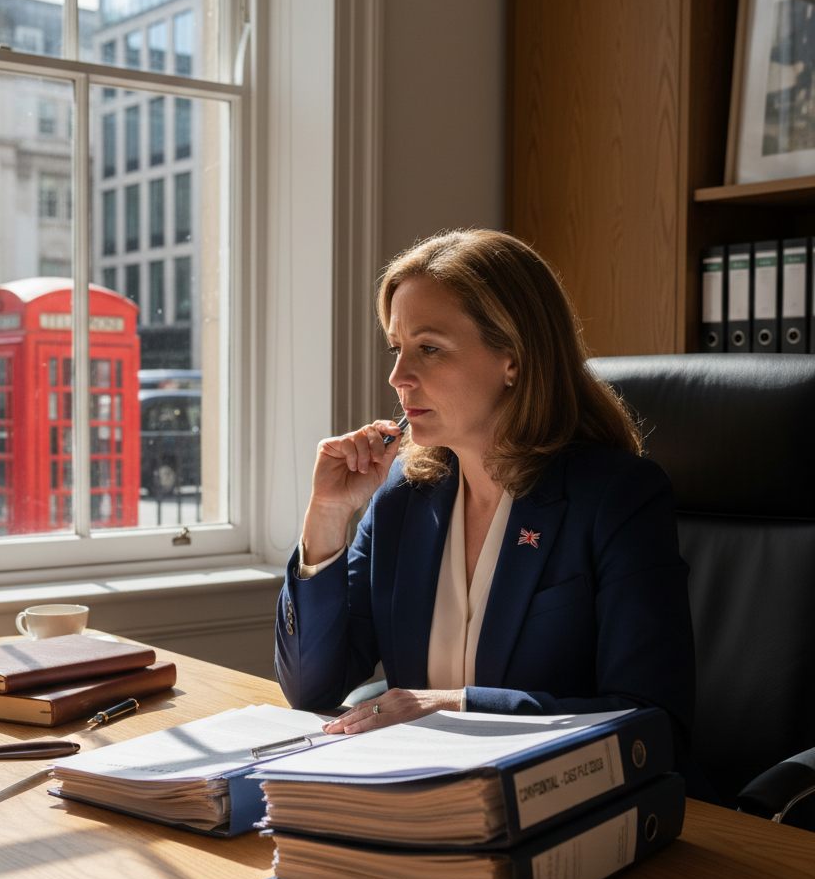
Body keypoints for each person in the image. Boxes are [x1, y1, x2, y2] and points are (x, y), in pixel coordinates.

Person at [276, 229, 705, 797]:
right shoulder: (402, 493)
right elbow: (312, 685)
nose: (398, 376)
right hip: (418, 797)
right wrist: (327, 516)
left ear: (513, 359)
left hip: (550, 810)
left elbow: (652, 722)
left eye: (429, 348)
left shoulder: (617, 497)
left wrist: (457, 707)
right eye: (396, 347)